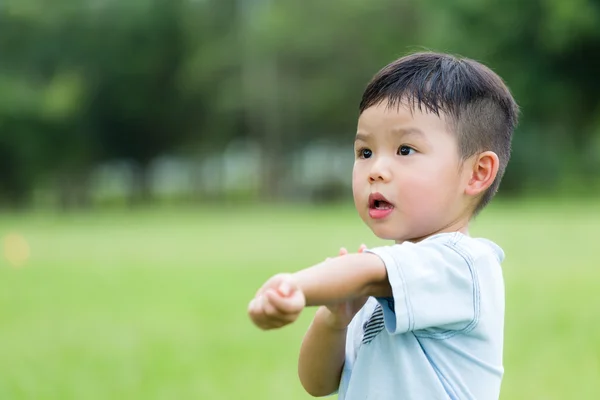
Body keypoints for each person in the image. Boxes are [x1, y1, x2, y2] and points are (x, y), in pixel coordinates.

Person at [247, 51, 519, 400]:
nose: (375, 169)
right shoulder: (383, 291)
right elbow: (318, 384)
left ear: (477, 172)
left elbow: (364, 270)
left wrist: (295, 286)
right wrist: (335, 320)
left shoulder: (465, 265)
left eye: (405, 150)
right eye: (365, 152)